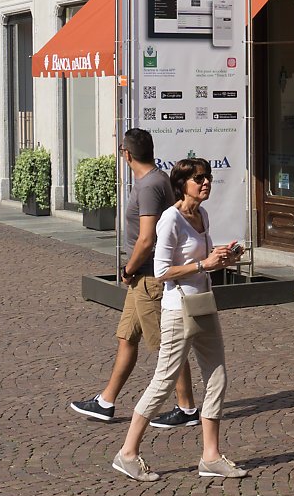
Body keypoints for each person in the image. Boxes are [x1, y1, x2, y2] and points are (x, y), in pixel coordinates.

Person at [112, 157, 245, 481]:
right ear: (182, 184)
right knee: (164, 381)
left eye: (208, 176)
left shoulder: (202, 215)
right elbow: (161, 272)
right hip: (177, 309)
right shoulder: (170, 219)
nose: (206, 182)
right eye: (199, 178)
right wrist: (203, 265)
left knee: (217, 377)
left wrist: (224, 258)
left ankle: (210, 456)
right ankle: (127, 453)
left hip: (203, 304)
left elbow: (204, 261)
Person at [71, 129, 198, 430]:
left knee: (169, 345)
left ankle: (187, 408)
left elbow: (146, 239)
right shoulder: (156, 179)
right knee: (126, 337)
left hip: (149, 278)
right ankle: (106, 402)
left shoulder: (150, 186)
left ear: (126, 154)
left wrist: (128, 269)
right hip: (141, 278)